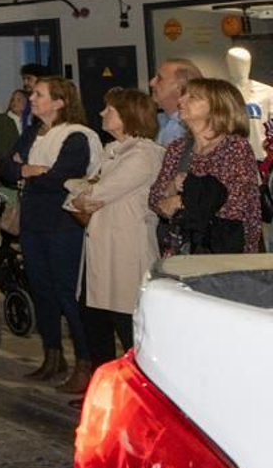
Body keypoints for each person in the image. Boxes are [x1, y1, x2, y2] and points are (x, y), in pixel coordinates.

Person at [1, 75, 96, 389]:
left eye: (39, 94)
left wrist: (26, 172)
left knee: (68, 293)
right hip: (32, 223)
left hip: (62, 225)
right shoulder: (32, 132)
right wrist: (29, 170)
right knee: (42, 291)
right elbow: (6, 169)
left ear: (60, 102)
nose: (32, 98)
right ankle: (52, 355)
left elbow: (62, 178)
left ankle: (85, 361)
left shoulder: (76, 136)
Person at [70, 89, 165, 386]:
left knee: (126, 326)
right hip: (99, 249)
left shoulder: (143, 155)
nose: (102, 114)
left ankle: (138, 394)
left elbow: (94, 193)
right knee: (93, 320)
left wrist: (85, 193)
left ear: (128, 116)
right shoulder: (112, 151)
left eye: (109, 110)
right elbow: (78, 194)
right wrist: (83, 193)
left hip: (125, 251)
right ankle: (104, 392)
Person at [149, 78, 261, 256]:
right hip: (184, 253)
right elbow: (154, 200)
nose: (181, 100)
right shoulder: (177, 148)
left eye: (192, 97)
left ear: (218, 107)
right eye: (183, 95)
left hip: (226, 254)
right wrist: (171, 188)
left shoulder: (235, 147)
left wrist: (180, 201)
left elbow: (235, 206)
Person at [149, 58, 202, 147]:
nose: (151, 83)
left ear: (180, 87)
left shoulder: (191, 129)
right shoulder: (158, 120)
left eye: (159, 78)